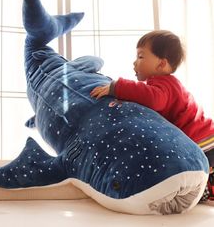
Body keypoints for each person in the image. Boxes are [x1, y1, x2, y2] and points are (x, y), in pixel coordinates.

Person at [90, 30, 214, 201]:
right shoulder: (163, 84)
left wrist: (117, 87)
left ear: (161, 64)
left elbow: (153, 99)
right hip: (203, 137)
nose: (135, 63)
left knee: (198, 174)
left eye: (141, 57)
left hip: (201, 139)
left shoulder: (165, 85)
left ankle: (206, 190)